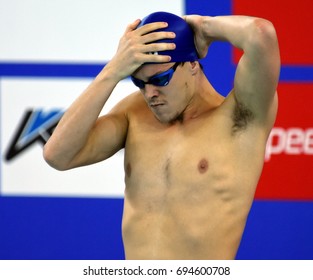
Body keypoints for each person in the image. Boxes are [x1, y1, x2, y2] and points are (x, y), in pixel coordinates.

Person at [43, 11, 280, 259]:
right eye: (139, 83)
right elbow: (57, 155)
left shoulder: (240, 117)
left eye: (160, 79)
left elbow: (261, 35)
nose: (150, 93)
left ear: (191, 63)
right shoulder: (134, 113)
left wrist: (204, 27)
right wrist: (113, 70)